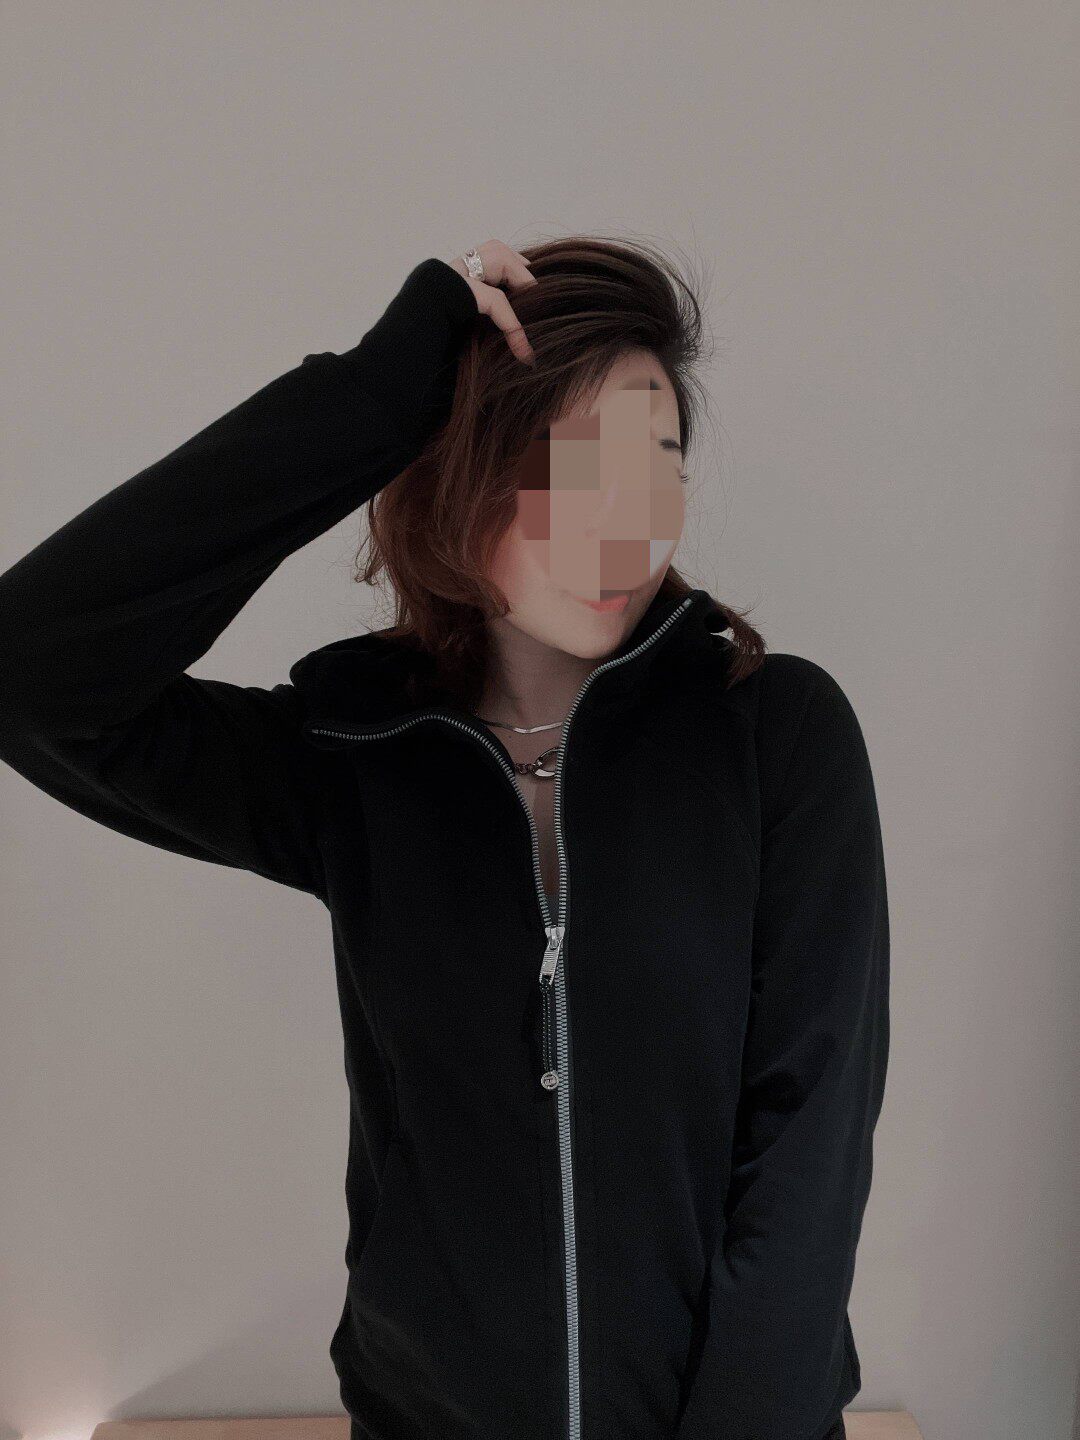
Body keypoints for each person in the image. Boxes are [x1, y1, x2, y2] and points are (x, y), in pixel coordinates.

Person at [0, 236, 888, 1440]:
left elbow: (808, 1144)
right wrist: (372, 399)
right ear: (461, 475)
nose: (624, 525)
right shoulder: (354, 756)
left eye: (657, 466)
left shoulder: (775, 734)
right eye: (568, 469)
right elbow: (32, 673)